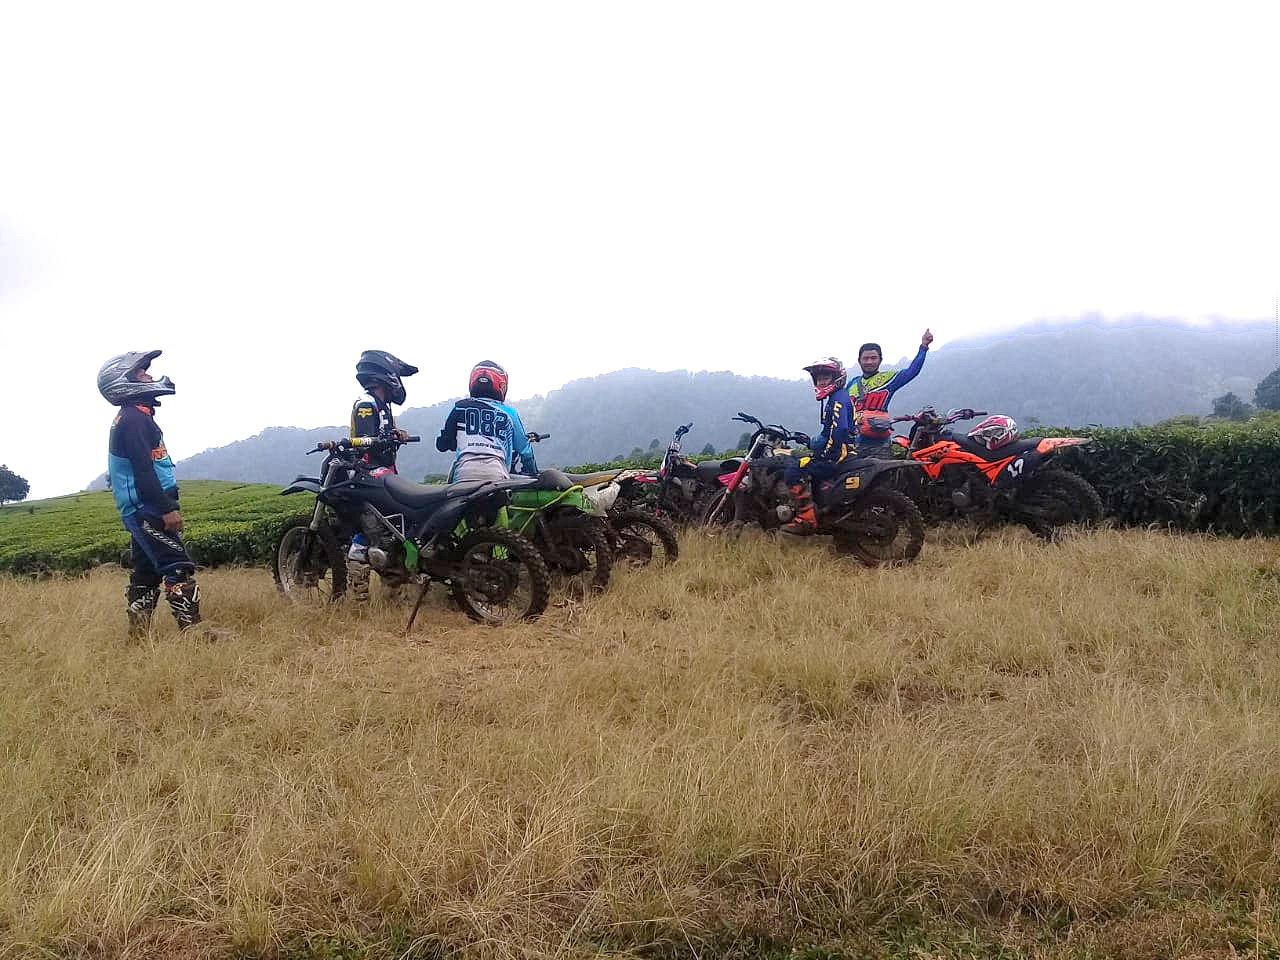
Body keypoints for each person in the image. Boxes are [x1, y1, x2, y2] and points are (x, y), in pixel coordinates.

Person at [98, 350, 209, 638]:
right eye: (141, 373)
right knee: (177, 567)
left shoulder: (134, 417)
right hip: (147, 508)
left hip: (141, 507)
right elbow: (143, 470)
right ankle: (194, 634)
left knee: (146, 574)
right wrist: (165, 508)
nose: (148, 375)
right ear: (124, 383)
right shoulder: (134, 419)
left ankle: (138, 637)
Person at [347, 350, 418, 603]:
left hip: (385, 474)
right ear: (383, 376)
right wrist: (385, 438)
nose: (399, 382)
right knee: (370, 527)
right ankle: (359, 592)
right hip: (368, 473)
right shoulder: (366, 404)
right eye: (397, 376)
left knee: (399, 528)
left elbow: (382, 436)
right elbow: (366, 441)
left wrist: (397, 434)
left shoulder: (383, 406)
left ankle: (395, 588)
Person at [779, 356, 856, 535]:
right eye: (819, 377)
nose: (821, 380)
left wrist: (827, 454)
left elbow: (840, 430)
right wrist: (813, 443)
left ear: (837, 377)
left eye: (826, 376)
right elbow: (828, 432)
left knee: (793, 470)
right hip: (845, 452)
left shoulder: (837, 399)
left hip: (837, 456)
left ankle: (806, 518)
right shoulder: (838, 397)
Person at [436, 361, 539, 482]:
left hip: (464, 476)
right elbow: (525, 450)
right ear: (502, 385)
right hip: (497, 477)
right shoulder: (509, 413)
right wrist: (532, 472)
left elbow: (442, 445)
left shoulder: (459, 407)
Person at [850, 328, 934, 458]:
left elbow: (912, 371)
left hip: (879, 444)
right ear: (859, 360)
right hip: (853, 443)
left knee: (882, 477)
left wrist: (923, 347)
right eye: (865, 358)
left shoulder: (888, 379)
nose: (869, 362)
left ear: (880, 360)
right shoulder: (852, 384)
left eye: (873, 358)